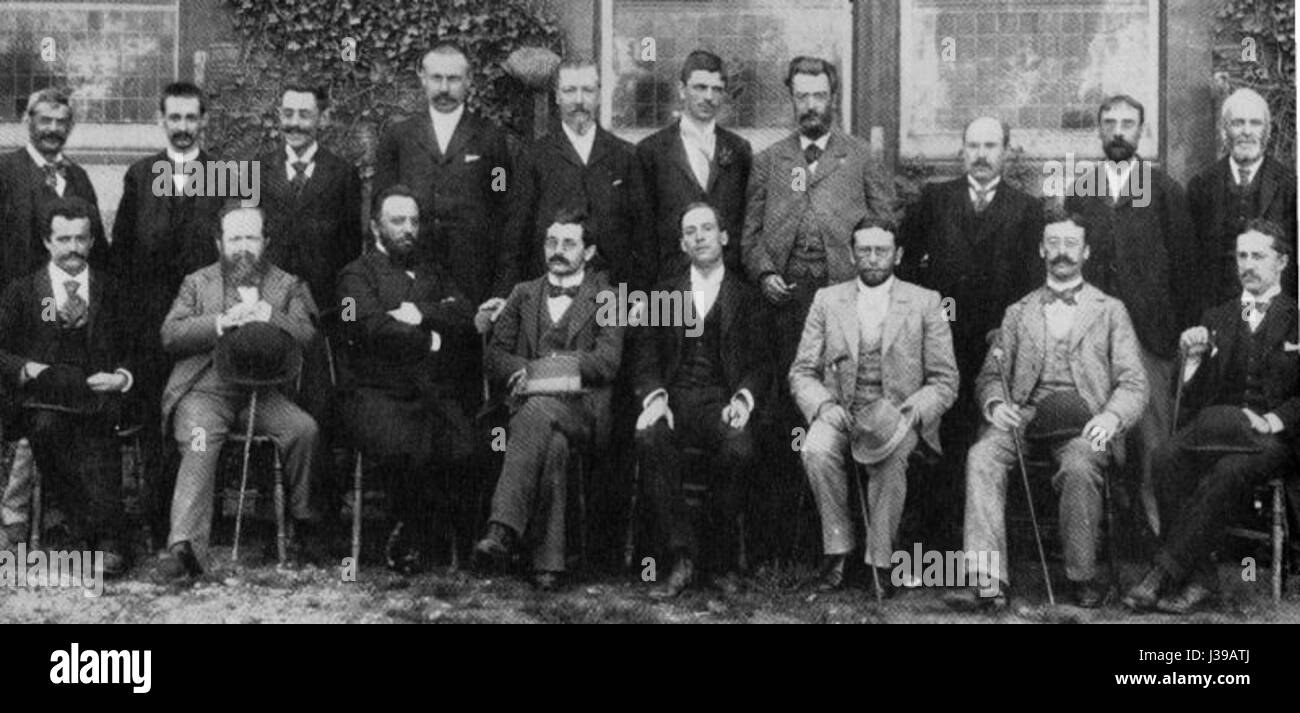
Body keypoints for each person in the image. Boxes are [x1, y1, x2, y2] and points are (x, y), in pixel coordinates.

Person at [953, 206, 1148, 610]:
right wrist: (994, 403)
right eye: (1054, 243)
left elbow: (1133, 382)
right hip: (1024, 418)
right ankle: (989, 580)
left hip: (1085, 421)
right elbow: (990, 375)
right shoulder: (1018, 312)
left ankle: (1081, 577)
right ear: (1042, 249)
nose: (1062, 252)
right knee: (982, 455)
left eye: (1071, 244)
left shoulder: (1111, 311)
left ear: (1087, 252)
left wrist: (1111, 417)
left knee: (1079, 465)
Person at [743, 55, 895, 561]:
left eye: (820, 96)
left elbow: (885, 225)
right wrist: (765, 272)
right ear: (792, 99)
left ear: (834, 98)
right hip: (783, 305)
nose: (811, 105)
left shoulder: (861, 156)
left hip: (841, 306)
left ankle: (843, 543)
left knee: (841, 410)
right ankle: (787, 542)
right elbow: (748, 236)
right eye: (802, 96)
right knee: (786, 413)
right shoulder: (770, 159)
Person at [1123, 220, 1297, 614]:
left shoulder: (1296, 317)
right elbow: (1192, 400)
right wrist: (1193, 360)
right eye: (1241, 256)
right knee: (1164, 457)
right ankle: (1200, 579)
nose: (1247, 264)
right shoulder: (1216, 318)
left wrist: (1275, 420)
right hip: (1218, 427)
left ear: (1282, 261)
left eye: (1258, 255)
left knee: (1228, 470)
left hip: (1273, 441)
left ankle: (1162, 574)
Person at [788, 216, 957, 593]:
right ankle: (839, 550)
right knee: (814, 448)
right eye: (864, 250)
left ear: (897, 255)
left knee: (892, 461)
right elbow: (801, 371)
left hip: (899, 413)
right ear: (851, 254)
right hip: (842, 410)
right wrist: (823, 406)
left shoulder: (926, 302)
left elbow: (946, 380)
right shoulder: (827, 300)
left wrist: (911, 414)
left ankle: (880, 560)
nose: (873, 258)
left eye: (882, 251)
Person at [898, 116, 1043, 544]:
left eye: (991, 146)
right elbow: (907, 266)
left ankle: (984, 542)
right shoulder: (935, 199)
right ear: (962, 150)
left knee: (987, 433)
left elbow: (1033, 280)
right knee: (940, 432)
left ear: (1005, 152)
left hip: (996, 341)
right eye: (973, 145)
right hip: (941, 339)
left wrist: (1008, 330)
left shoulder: (1026, 208)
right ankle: (937, 537)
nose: (981, 154)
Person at [157, 204, 320, 580]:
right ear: (219, 243)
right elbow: (170, 334)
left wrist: (270, 315)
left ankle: (304, 523)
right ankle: (184, 547)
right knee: (199, 443)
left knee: (303, 430)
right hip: (205, 390)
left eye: (251, 237)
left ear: (266, 242)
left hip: (262, 393)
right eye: (235, 239)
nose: (243, 247)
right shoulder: (197, 283)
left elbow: (309, 336)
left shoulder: (286, 284)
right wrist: (220, 321)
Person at [473, 208, 625, 591]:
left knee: (539, 412)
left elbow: (607, 362)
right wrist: (523, 368)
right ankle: (548, 564)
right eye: (551, 241)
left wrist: (546, 372)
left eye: (569, 243)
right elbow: (495, 356)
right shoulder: (523, 293)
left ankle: (503, 529)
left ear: (588, 253)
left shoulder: (607, 297)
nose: (557, 250)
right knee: (551, 441)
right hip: (527, 412)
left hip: (584, 411)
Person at [1065, 94, 1196, 535]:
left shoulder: (1164, 189)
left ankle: (1162, 539)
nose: (1118, 131)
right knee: (1102, 430)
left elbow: (1184, 266)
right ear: (1099, 130)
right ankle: (1108, 537)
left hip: (1151, 334)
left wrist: (1178, 332)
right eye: (1110, 122)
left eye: (1128, 123)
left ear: (1142, 131)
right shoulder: (1083, 187)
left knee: (1153, 439)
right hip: (1096, 333)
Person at [335, 185, 478, 573]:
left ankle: (445, 539)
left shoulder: (433, 271)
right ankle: (407, 533)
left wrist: (419, 311)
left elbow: (466, 315)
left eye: (414, 221)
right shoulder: (355, 276)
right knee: (405, 444)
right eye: (397, 221)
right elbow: (369, 326)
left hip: (429, 389)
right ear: (375, 226)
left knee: (465, 445)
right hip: (372, 393)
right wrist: (432, 338)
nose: (408, 229)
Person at [111, 81, 229, 546]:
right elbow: (120, 258)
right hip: (151, 327)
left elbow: (234, 253)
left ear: (204, 121)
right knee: (157, 420)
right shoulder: (141, 176)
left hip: (205, 325)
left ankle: (201, 526)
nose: (183, 128)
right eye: (174, 118)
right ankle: (159, 525)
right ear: (161, 121)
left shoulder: (222, 174)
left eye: (191, 118)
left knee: (200, 417)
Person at [633, 202, 768, 597]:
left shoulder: (746, 296)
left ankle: (718, 559)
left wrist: (743, 400)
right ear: (681, 243)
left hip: (720, 402)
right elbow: (645, 356)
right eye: (690, 232)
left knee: (739, 449)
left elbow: (762, 363)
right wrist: (655, 398)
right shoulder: (665, 294)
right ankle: (682, 557)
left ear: (724, 237)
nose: (699, 237)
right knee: (650, 439)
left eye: (707, 229)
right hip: (673, 400)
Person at [0, 197, 133, 574]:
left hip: (99, 394)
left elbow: (137, 347)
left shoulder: (112, 290)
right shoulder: (25, 291)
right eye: (64, 239)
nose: (73, 248)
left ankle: (107, 541)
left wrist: (121, 377)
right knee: (47, 429)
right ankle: (87, 528)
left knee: (101, 429)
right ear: (47, 241)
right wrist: (27, 367)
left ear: (92, 242)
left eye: (81, 238)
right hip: (44, 397)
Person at [0, 88, 109, 544]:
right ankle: (16, 516)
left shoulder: (78, 177)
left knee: (65, 405)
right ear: (28, 120)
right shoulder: (5, 171)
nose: (52, 129)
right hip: (14, 313)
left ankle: (64, 519)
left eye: (61, 122)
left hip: (66, 316)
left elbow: (95, 249)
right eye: (44, 119)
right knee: (28, 408)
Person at [254, 82, 364, 521]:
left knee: (319, 405)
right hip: (269, 309)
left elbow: (351, 249)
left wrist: (339, 311)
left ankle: (318, 510)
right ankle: (269, 509)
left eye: (304, 114)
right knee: (268, 398)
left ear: (322, 118)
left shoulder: (342, 174)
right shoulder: (257, 169)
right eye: (287, 113)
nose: (294, 123)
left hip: (322, 314)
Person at [497, 56, 652, 297]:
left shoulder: (626, 156)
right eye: (570, 91)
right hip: (550, 295)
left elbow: (644, 237)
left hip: (612, 297)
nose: (579, 100)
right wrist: (505, 296)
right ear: (557, 96)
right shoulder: (534, 157)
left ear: (599, 95)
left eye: (587, 90)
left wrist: (641, 297)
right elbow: (516, 237)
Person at [372, 43, 512, 305]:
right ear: (423, 79)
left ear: (469, 80)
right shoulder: (399, 137)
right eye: (437, 78)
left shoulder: (491, 138)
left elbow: (503, 210)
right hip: (411, 272)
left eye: (453, 78)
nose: (444, 88)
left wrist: (501, 288)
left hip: (473, 279)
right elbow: (379, 211)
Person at [637, 50, 752, 282]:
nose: (708, 97)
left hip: (726, 283)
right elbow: (644, 230)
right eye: (699, 87)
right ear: (682, 90)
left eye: (716, 89)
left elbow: (745, 222)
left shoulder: (739, 150)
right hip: (671, 284)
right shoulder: (652, 151)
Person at [1188, 88, 1297, 307]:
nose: (1246, 131)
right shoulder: (1201, 185)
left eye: (1255, 123)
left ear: (1267, 131)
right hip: (1215, 313)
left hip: (1275, 317)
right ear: (1224, 130)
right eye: (1238, 123)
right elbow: (1189, 261)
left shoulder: (1290, 186)